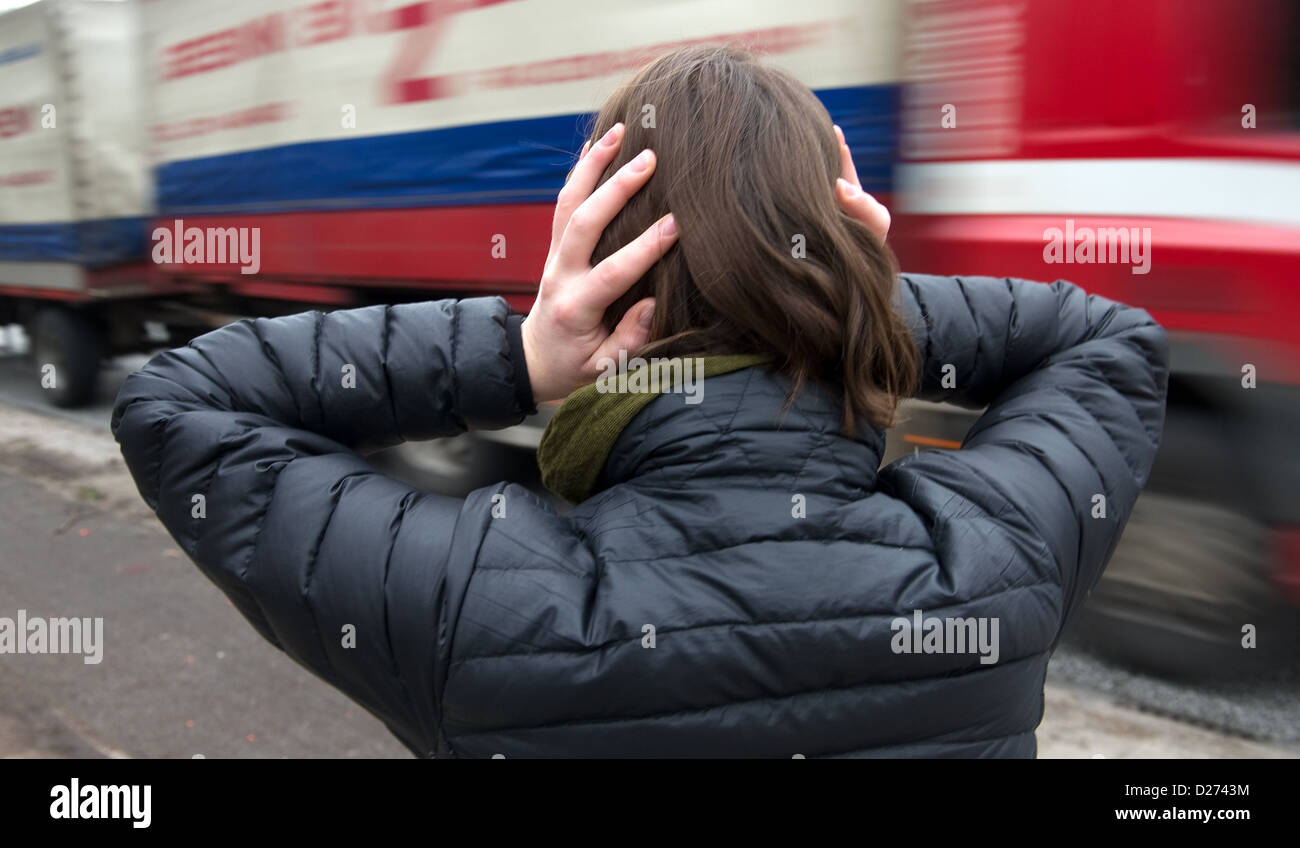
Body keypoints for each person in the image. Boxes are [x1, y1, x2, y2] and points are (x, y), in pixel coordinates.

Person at [112, 45, 1169, 757]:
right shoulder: (995, 570)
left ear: (604, 273)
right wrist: (848, 302)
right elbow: (1109, 339)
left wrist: (522, 354)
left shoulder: (470, 609)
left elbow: (182, 403)